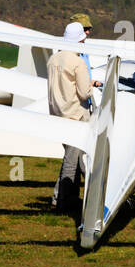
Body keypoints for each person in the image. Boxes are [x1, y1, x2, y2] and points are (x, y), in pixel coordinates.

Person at [47, 22, 94, 213]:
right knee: (72, 162)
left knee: (74, 159)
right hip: (75, 116)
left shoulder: (53, 59)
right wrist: (93, 89)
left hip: (57, 114)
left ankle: (65, 198)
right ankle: (61, 202)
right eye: (82, 40)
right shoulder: (78, 62)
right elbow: (83, 93)